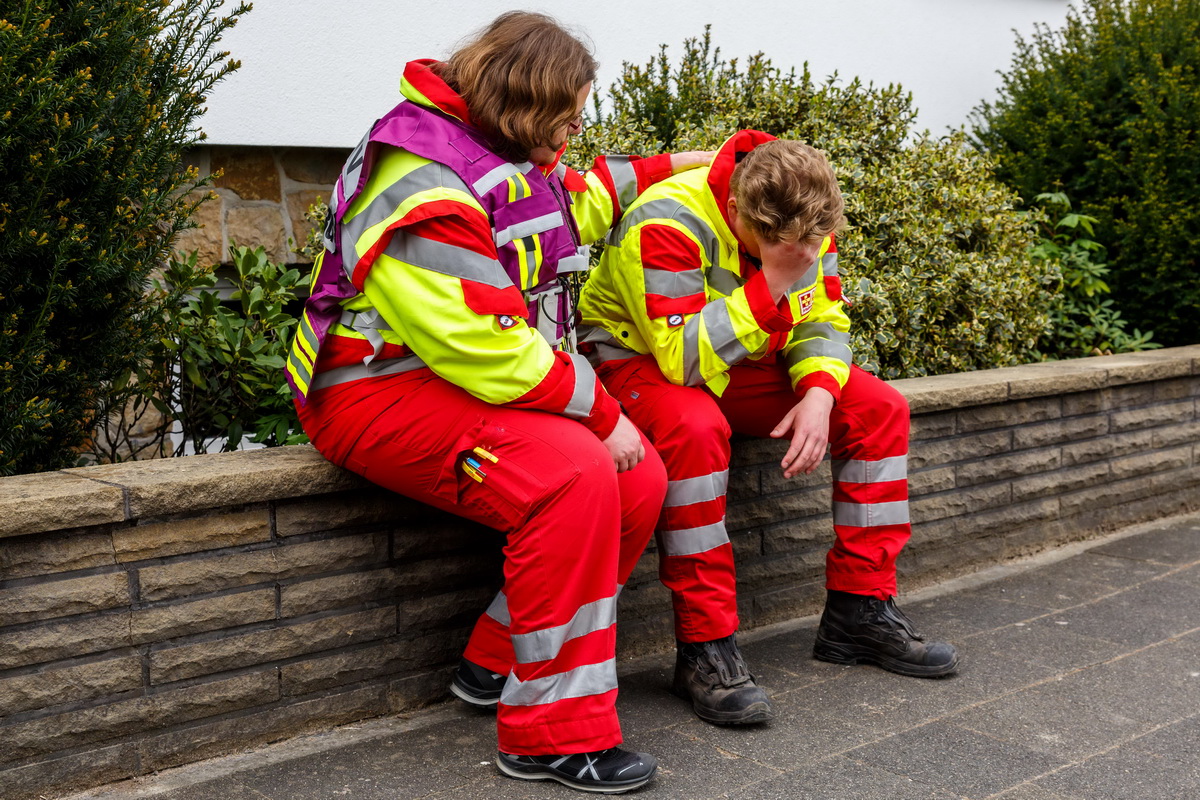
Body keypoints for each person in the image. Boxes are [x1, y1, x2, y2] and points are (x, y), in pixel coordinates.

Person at [286, 12, 707, 794]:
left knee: (640, 479)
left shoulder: (493, 152)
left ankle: (497, 663)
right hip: (371, 391)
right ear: (527, 104)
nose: (578, 132)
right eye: (572, 115)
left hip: (452, 382)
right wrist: (602, 412)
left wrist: (703, 163)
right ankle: (550, 735)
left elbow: (582, 196)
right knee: (577, 473)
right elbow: (481, 343)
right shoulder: (419, 176)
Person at [575, 130, 960, 726]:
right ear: (737, 211)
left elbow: (822, 314)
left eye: (812, 246)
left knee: (879, 408)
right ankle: (704, 650)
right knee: (696, 431)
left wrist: (818, 392)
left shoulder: (803, 223)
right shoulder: (666, 220)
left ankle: (859, 611)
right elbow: (681, 359)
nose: (805, 254)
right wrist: (775, 281)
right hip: (641, 360)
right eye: (782, 248)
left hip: (744, 354)